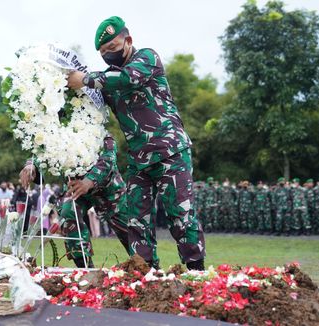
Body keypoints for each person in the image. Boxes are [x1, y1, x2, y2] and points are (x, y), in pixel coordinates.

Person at [67, 16, 205, 270]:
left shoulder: (147, 59)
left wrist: (85, 79)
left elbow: (128, 79)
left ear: (128, 41)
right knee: (137, 223)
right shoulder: (106, 79)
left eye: (112, 48)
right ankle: (147, 276)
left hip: (170, 152)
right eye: (103, 53)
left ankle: (197, 274)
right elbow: (89, 99)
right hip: (139, 162)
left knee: (181, 217)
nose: (109, 55)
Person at [20, 135, 129, 268]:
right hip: (75, 188)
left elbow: (109, 156)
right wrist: (31, 166)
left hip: (108, 189)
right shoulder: (57, 130)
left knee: (128, 231)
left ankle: (148, 269)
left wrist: (89, 181)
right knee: (68, 212)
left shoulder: (94, 122)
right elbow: (42, 151)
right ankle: (85, 269)